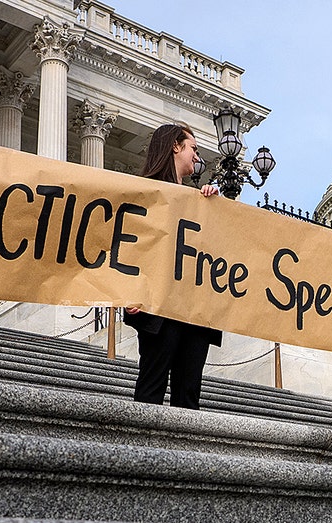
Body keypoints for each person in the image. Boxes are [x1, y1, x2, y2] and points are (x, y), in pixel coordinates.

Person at [123, 123, 221, 410]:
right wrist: (128, 291)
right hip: (158, 305)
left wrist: (213, 208)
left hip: (194, 308)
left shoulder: (198, 200)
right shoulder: (146, 193)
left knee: (189, 392)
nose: (197, 157)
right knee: (152, 383)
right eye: (193, 148)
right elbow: (130, 243)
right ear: (176, 146)